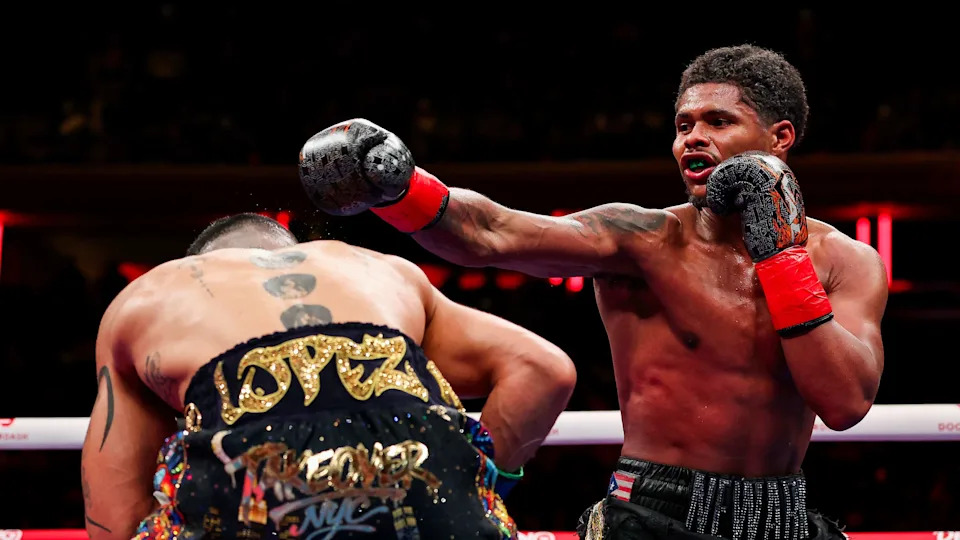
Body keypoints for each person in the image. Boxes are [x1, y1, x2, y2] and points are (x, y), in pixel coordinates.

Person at [298, 44, 887, 540]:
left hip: (780, 517)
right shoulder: (643, 240)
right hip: (652, 512)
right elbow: (493, 232)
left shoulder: (846, 262)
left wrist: (780, 258)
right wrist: (398, 189)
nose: (693, 140)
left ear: (780, 137)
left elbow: (843, 403)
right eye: (683, 126)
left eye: (718, 122)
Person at [80, 212, 577, 539]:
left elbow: (114, 519)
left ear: (200, 262)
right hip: (419, 469)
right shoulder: (376, 268)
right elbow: (543, 370)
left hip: (252, 480)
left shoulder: (151, 294)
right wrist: (475, 484)